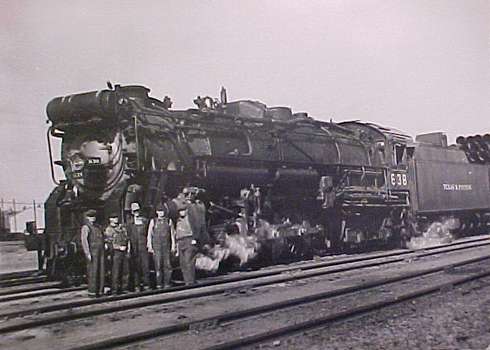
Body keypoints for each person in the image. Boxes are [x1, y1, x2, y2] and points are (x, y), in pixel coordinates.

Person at [147, 203, 174, 289]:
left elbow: (172, 234)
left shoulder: (169, 221)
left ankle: (167, 283)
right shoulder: (153, 221)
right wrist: (150, 246)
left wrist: (173, 245)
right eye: (159, 211)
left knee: (167, 265)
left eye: (162, 211)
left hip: (166, 246)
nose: (161, 213)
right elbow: (149, 234)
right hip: (157, 246)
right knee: (158, 266)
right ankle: (159, 284)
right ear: (156, 212)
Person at [80, 209, 105, 297]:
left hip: (101, 251)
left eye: (93, 216)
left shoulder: (98, 227)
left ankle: (100, 291)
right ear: (87, 218)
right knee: (93, 272)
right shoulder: (86, 227)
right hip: (93, 251)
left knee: (101, 271)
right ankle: (92, 291)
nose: (93, 218)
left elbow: (102, 237)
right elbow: (84, 241)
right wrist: (87, 253)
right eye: (91, 217)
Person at [127, 202, 150, 291]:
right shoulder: (129, 223)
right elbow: (128, 236)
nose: (136, 212)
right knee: (136, 267)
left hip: (143, 246)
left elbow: (149, 233)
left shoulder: (145, 221)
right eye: (134, 211)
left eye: (137, 210)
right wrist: (129, 248)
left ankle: (146, 284)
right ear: (132, 212)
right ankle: (137, 285)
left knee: (145, 266)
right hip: (134, 247)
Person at [104, 213, 129, 294]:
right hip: (115, 252)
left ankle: (124, 288)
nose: (116, 219)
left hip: (124, 251)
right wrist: (118, 247)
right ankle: (114, 289)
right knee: (116, 271)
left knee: (125, 270)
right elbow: (109, 243)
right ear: (110, 219)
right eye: (114, 218)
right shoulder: (109, 230)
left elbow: (126, 238)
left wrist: (127, 248)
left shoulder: (122, 228)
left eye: (116, 217)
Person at [174, 207, 197, 285]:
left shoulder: (190, 219)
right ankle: (187, 281)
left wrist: (194, 238)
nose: (182, 212)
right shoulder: (178, 220)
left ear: (186, 211)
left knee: (189, 261)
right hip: (180, 241)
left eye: (183, 211)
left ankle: (191, 280)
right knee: (183, 263)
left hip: (188, 239)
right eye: (180, 211)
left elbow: (197, 228)